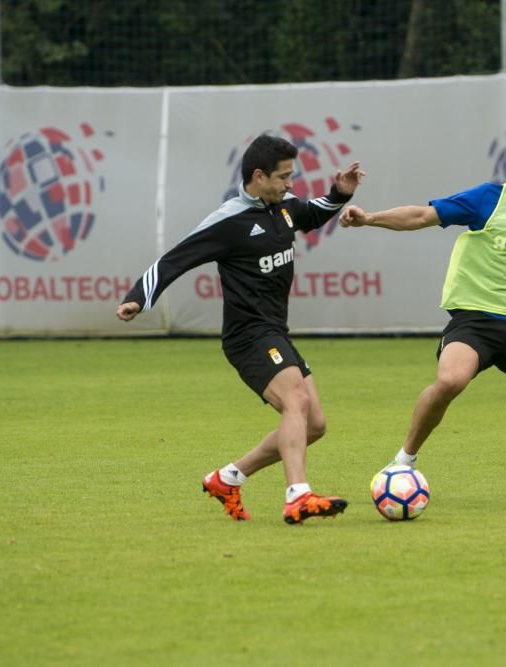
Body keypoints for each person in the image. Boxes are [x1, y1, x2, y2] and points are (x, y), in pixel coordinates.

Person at [338, 124, 506, 508]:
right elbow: (422, 215)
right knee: (451, 380)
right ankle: (403, 460)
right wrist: (368, 218)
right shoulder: (489, 198)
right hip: (475, 320)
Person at [116, 134, 364, 524]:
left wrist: (339, 193)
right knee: (296, 403)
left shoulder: (281, 209)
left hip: (275, 332)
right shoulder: (229, 220)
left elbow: (313, 212)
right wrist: (137, 297)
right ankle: (297, 495)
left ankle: (227, 479)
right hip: (248, 336)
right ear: (258, 176)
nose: (290, 184)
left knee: (314, 424)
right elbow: (174, 259)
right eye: (283, 177)